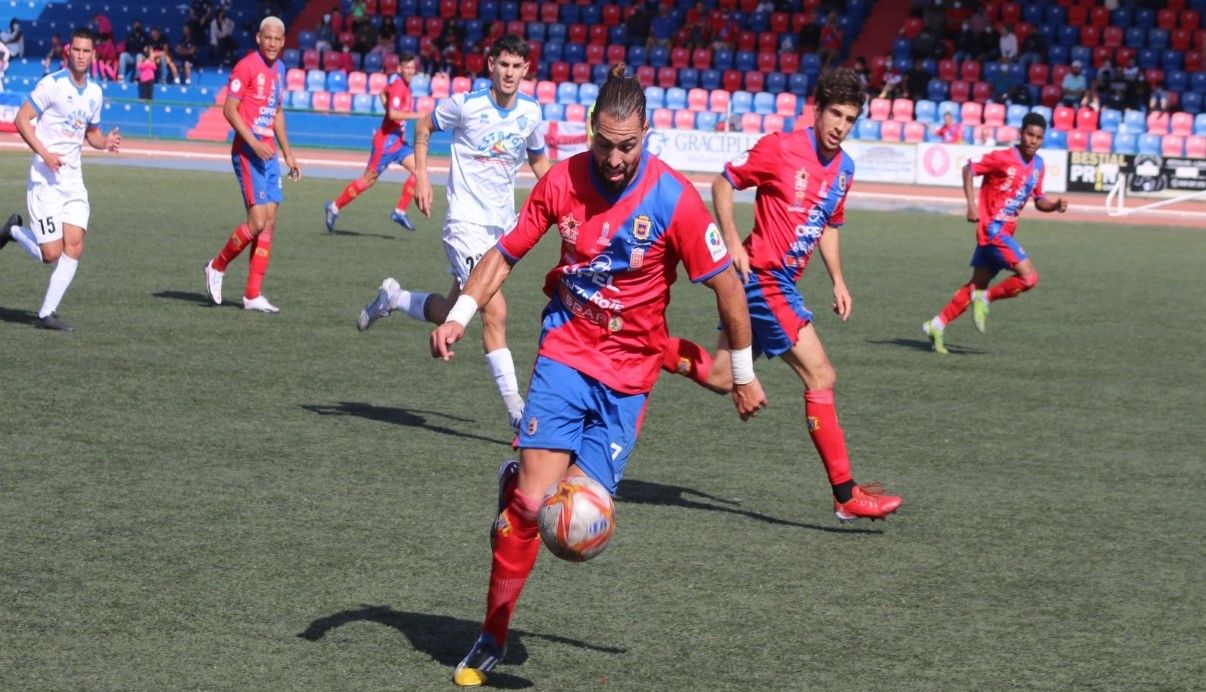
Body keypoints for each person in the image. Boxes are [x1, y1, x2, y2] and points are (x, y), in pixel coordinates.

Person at [432, 62, 767, 687]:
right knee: (531, 507)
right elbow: (505, 254)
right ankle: (491, 636)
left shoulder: (673, 199)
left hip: (630, 376)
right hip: (566, 353)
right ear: (590, 131)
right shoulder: (561, 182)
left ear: (647, 135)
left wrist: (742, 374)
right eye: (605, 144)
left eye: (628, 146)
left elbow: (728, 289)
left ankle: (521, 481)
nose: (615, 159)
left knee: (579, 525)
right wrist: (458, 315)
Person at [659, 68, 903, 524]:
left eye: (850, 119)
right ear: (817, 108)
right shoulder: (780, 148)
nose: (840, 126)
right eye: (835, 114)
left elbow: (828, 224)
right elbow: (723, 183)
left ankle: (645, 344)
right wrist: (732, 239)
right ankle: (846, 493)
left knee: (721, 377)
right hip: (763, 280)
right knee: (821, 376)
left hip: (779, 284)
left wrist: (838, 280)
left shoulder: (845, 169)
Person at [355, 34, 549, 432]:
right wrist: (422, 176)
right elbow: (423, 127)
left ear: (526, 70)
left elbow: (539, 160)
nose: (510, 73)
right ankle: (516, 409)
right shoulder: (466, 104)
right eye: (503, 65)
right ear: (490, 64)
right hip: (463, 224)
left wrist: (568, 202)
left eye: (517, 67)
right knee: (494, 308)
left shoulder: (531, 113)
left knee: (451, 309)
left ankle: (394, 297)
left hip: (500, 229)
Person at [0, 28, 121, 331]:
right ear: (68, 51)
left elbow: (91, 132)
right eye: (76, 50)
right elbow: (21, 120)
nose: (81, 55)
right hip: (45, 180)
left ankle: (46, 314)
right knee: (50, 255)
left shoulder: (95, 92)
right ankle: (14, 230)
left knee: (75, 245)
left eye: (86, 51)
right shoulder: (51, 85)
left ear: (93, 55)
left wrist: (104, 142)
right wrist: (45, 153)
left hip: (72, 181)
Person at [922, 113, 1068, 354]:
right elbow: (969, 169)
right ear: (1021, 134)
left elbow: (1039, 199)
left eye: (1038, 137)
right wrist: (971, 204)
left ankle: (936, 325)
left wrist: (1054, 206)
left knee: (976, 285)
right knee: (1029, 278)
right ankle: (986, 298)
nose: (1033, 141)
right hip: (992, 230)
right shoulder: (1002, 157)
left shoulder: (1039, 165)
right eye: (1029, 135)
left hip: (1004, 231)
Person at [202, 16, 300, 313]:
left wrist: (288, 153)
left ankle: (252, 294)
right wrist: (254, 143)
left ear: (283, 42)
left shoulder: (281, 69)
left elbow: (277, 112)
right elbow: (229, 110)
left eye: (277, 39)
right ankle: (216, 266)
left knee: (269, 223)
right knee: (257, 222)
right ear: (259, 38)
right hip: (248, 151)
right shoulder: (245, 66)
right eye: (267, 37)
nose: (272, 43)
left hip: (269, 154)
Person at [324, 51, 421, 233]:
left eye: (412, 68)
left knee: (419, 170)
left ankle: (399, 211)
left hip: (398, 142)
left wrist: (391, 111)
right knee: (367, 180)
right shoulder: (399, 87)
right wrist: (418, 115)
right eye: (406, 67)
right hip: (385, 142)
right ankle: (334, 207)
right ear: (400, 69)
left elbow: (382, 94)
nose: (409, 71)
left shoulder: (403, 86)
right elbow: (392, 114)